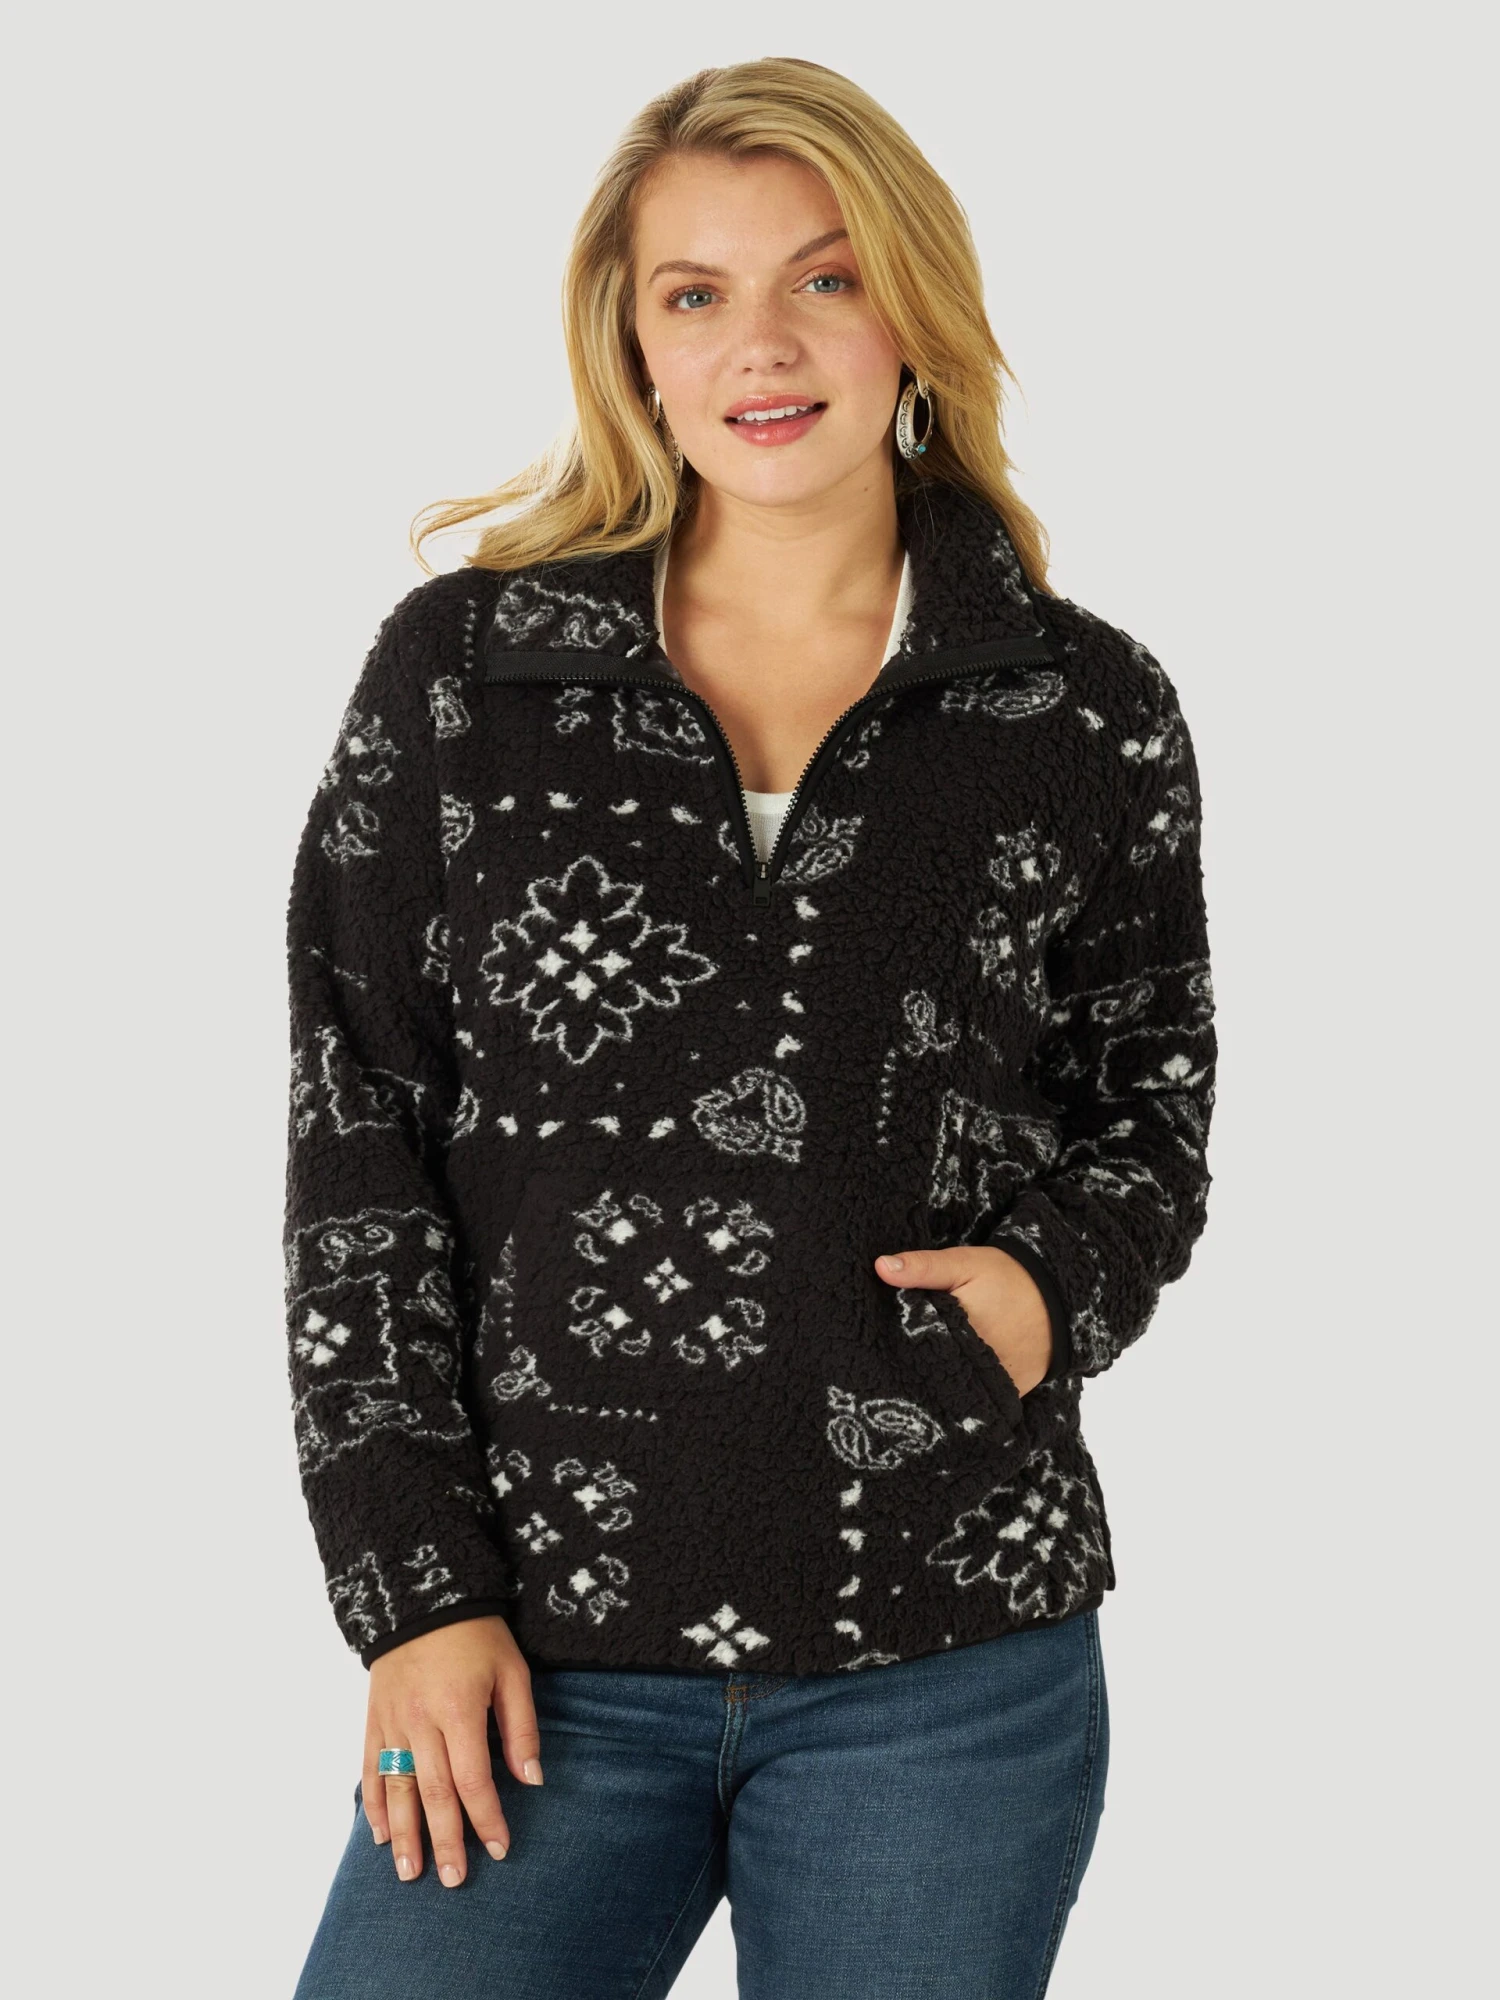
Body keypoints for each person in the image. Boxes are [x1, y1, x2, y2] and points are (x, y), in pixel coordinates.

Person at [285, 56, 1216, 2000]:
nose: (762, 345)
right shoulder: (469, 674)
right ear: (633, 340)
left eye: (825, 277)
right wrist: (410, 1591)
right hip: (534, 1652)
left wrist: (1043, 1291)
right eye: (695, 292)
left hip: (947, 1658)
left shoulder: (1081, 707)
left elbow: (1148, 1108)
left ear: (913, 312)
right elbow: (357, 1132)